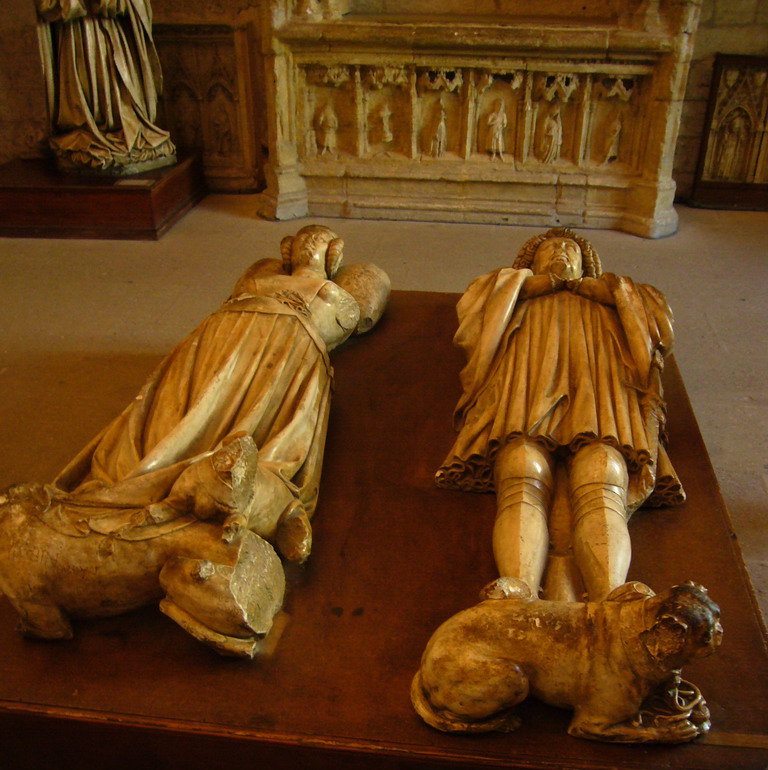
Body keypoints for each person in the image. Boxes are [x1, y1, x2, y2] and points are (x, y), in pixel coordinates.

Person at [0, 226, 390, 655]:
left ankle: (234, 500)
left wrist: (336, 283)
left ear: (333, 256)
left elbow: (363, 303)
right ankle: (137, 492)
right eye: (304, 240)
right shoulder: (264, 274)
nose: (308, 247)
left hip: (283, 347)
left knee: (248, 435)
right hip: (220, 337)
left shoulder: (324, 294)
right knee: (167, 421)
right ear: (290, 249)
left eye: (316, 243)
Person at [435, 227, 683, 603]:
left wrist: (614, 292)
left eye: (570, 248)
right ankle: (518, 588)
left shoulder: (613, 295)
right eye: (550, 248)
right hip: (526, 383)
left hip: (601, 389)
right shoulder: (510, 288)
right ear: (530, 262)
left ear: (588, 264)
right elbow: (473, 318)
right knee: (521, 468)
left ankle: (612, 594)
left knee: (602, 471)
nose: (562, 252)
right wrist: (525, 284)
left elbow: (658, 333)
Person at [35, 0, 175, 174]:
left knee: (120, 90)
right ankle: (93, 131)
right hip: (77, 33)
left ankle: (122, 129)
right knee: (86, 87)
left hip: (113, 31)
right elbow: (48, 7)